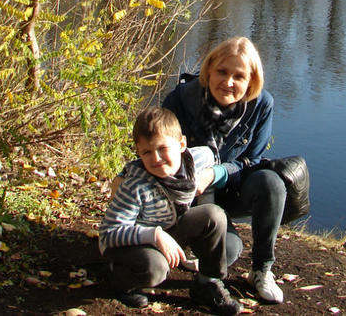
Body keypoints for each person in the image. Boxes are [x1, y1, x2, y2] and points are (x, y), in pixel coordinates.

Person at [162, 37, 287, 304]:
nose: (228, 82)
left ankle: (262, 270)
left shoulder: (262, 104)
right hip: (190, 193)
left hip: (231, 185)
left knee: (271, 182)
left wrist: (216, 173)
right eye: (222, 72)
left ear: (251, 82)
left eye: (239, 76)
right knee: (228, 252)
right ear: (208, 70)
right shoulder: (181, 100)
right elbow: (159, 154)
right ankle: (194, 245)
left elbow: (252, 160)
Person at [99, 108, 241, 315]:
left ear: (182, 145)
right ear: (138, 153)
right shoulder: (135, 186)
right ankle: (119, 279)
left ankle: (207, 282)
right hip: (129, 243)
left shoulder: (196, 159)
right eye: (147, 152)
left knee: (214, 215)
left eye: (162, 148)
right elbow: (108, 233)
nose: (156, 158)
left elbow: (211, 156)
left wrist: (212, 176)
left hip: (167, 227)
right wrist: (154, 235)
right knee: (157, 269)